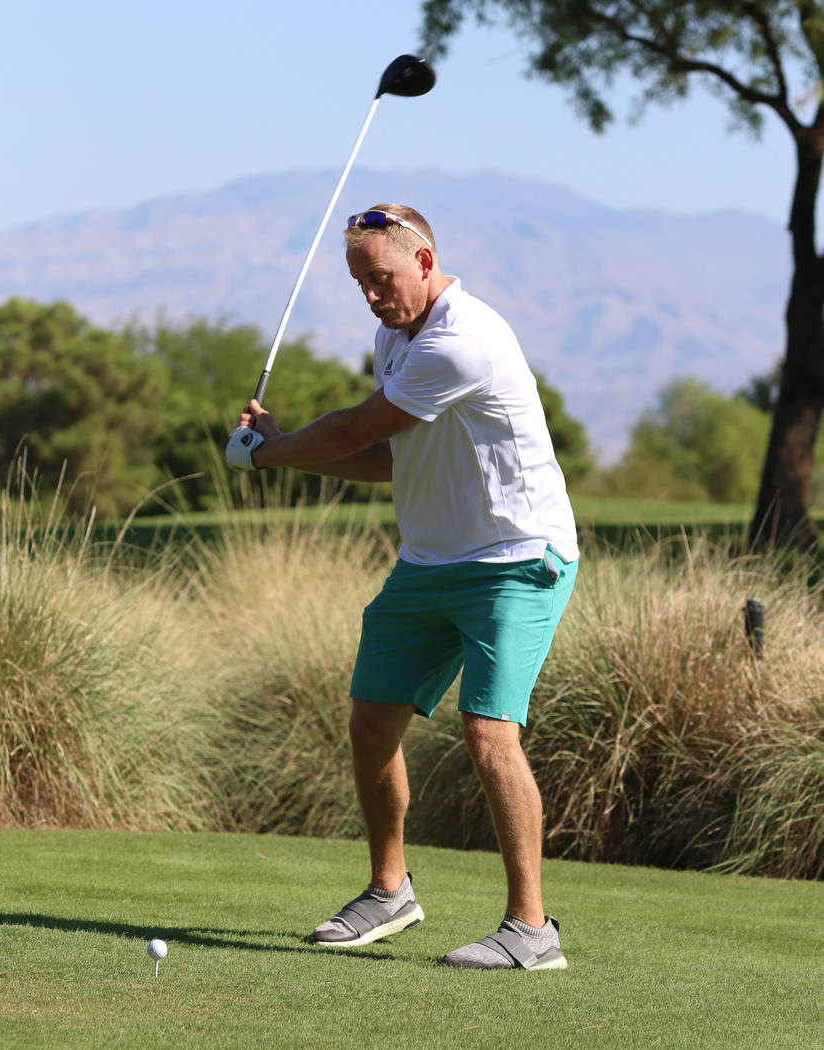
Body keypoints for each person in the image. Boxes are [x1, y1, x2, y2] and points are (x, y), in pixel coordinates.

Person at [228, 203, 579, 971]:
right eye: (359, 284)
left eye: (381, 278)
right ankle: (391, 892)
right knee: (371, 724)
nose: (372, 297)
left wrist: (270, 452)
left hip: (516, 557)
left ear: (424, 261)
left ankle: (532, 929)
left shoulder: (464, 340)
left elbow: (355, 428)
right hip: (428, 561)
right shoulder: (395, 336)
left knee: (489, 734)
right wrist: (281, 451)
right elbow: (388, 458)